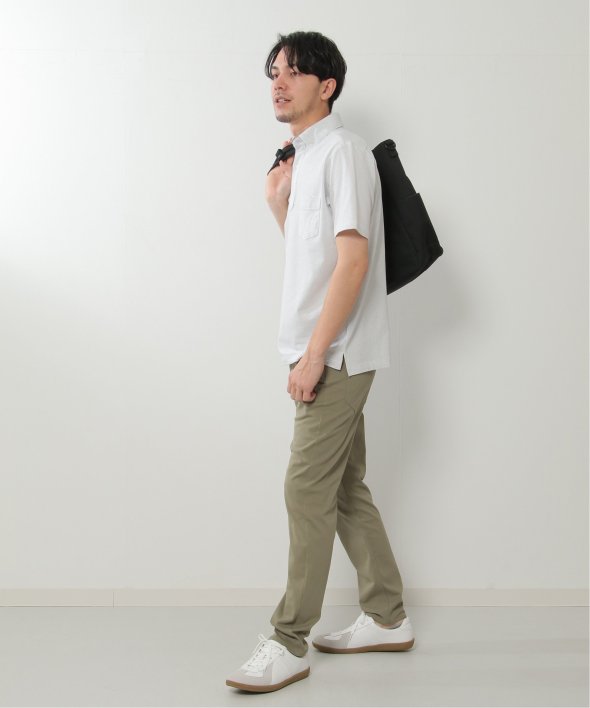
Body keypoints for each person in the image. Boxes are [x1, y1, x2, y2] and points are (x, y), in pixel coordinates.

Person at [226, 30, 415, 694]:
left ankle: (288, 640)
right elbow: (317, 262)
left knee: (303, 488)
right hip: (319, 348)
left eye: (294, 72)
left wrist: (314, 357)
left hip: (336, 353)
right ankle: (387, 616)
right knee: (340, 487)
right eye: (273, 72)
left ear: (326, 85)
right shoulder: (304, 161)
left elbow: (355, 264)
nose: (278, 83)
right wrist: (279, 205)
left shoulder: (343, 152)